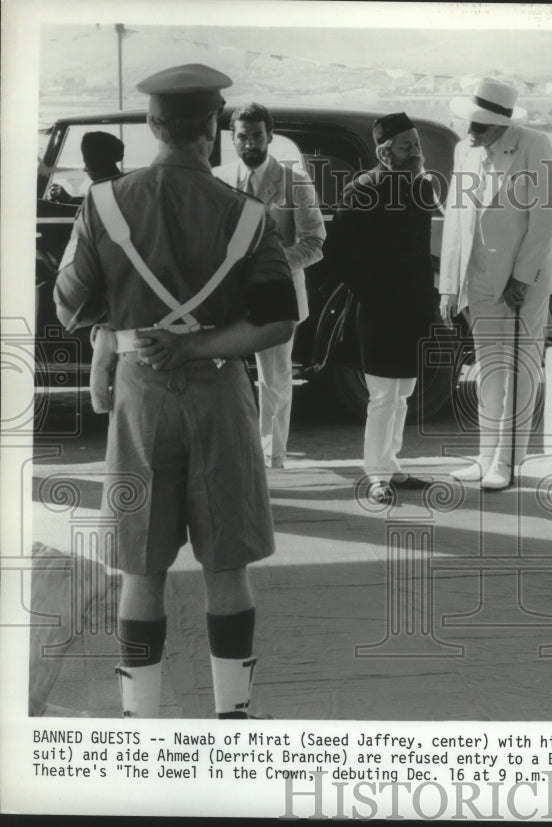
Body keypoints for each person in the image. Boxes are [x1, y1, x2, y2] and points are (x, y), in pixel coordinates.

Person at [54, 63, 298, 718]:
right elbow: (278, 317)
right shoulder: (248, 215)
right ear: (212, 128)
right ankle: (233, 714)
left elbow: (69, 307)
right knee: (227, 566)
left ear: (154, 126)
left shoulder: (103, 204)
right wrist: (194, 342)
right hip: (220, 394)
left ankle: (142, 720)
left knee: (142, 569)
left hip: (141, 396)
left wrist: (128, 320)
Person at [439, 78, 552, 490]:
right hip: (479, 281)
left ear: (501, 125)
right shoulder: (464, 150)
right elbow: (457, 218)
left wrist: (521, 279)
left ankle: (508, 461)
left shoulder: (534, 145)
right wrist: (449, 285)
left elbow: (545, 219)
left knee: (521, 369)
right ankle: (485, 455)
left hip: (523, 281)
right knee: (488, 371)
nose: (470, 131)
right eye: (469, 121)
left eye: (480, 124)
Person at [214, 103, 326, 469]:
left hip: (278, 297)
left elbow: (314, 242)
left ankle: (272, 458)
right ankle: (227, 454)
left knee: (275, 381)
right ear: (232, 138)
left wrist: (269, 269)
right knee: (216, 374)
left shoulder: (295, 181)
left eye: (257, 136)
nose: (249, 144)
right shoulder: (216, 178)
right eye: (242, 136)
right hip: (226, 297)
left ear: (270, 136)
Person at [335, 113, 437, 505]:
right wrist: (374, 295)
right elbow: (341, 254)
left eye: (417, 145)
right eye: (406, 147)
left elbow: (421, 253)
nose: (415, 153)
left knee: (404, 393)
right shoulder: (362, 189)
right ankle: (376, 474)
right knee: (381, 396)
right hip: (378, 310)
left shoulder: (422, 188)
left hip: (412, 308)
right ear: (385, 152)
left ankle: (391, 464)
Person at [46, 131, 125, 204]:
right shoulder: (120, 186)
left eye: (86, 162)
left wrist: (69, 200)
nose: (84, 169)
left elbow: (93, 213)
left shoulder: (109, 189)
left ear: (95, 163)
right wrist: (70, 199)